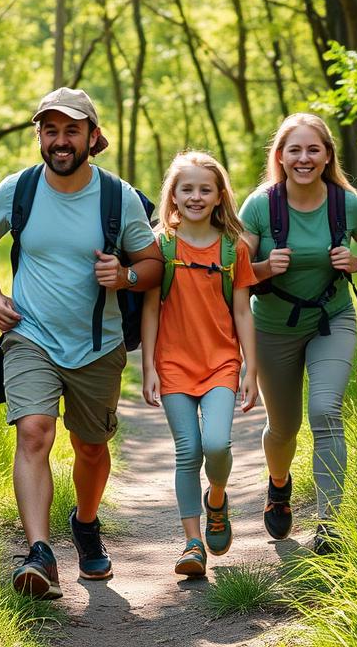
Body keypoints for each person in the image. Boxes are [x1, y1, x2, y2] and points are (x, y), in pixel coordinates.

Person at [0, 87, 162, 599]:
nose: (60, 140)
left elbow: (152, 265)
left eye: (71, 130)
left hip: (97, 346)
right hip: (29, 334)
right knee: (33, 431)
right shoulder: (19, 189)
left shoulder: (117, 196)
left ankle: (86, 522)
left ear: (92, 137)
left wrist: (125, 276)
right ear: (39, 136)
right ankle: (39, 554)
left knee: (91, 447)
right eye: (49, 130)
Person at [239, 113, 357, 553]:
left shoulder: (345, 204)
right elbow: (232, 273)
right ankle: (278, 484)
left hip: (332, 319)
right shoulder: (259, 206)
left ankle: (330, 525)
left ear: (328, 155)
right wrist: (264, 268)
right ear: (281, 157)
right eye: (295, 149)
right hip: (272, 325)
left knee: (326, 411)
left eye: (313, 149)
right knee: (283, 428)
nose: (304, 158)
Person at [140, 151, 259, 577]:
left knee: (216, 446)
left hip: (221, 362)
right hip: (172, 363)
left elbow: (243, 311)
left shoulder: (234, 248)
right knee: (187, 451)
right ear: (172, 195)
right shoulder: (161, 246)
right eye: (185, 188)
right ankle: (192, 544)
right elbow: (150, 309)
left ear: (218, 195)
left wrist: (251, 368)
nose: (195, 196)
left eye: (204, 189)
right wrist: (149, 367)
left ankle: (217, 497)